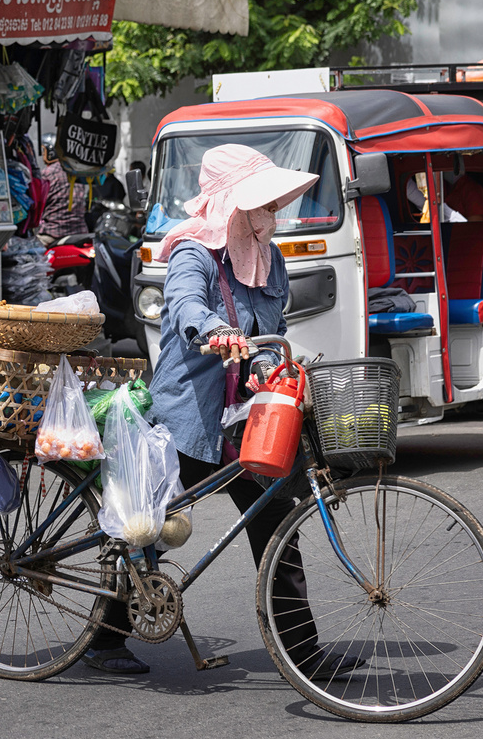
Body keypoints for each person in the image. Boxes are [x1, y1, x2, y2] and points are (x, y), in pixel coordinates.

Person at [83, 144, 363, 679]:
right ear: (233, 208)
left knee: (278, 517)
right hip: (191, 419)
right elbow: (188, 304)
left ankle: (303, 653)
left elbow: (265, 331)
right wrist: (215, 332)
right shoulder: (194, 253)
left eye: (273, 208)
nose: (272, 219)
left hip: (245, 420)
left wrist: (261, 365)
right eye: (262, 208)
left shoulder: (269, 260)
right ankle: (104, 636)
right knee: (142, 523)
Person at [36, 132, 88, 246]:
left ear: (50, 152)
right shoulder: (76, 171)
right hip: (80, 232)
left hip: (53, 233)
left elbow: (37, 205)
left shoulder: (47, 174)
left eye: (43, 151)